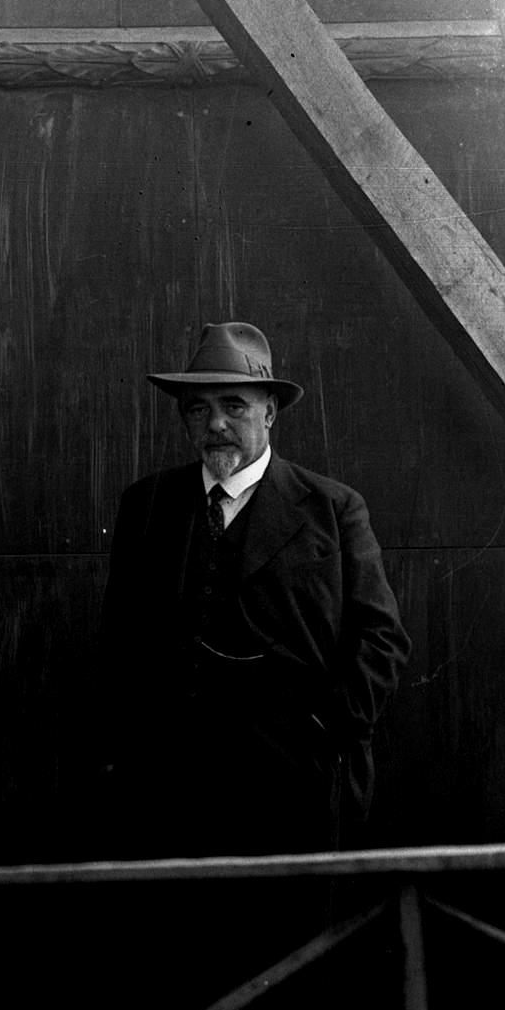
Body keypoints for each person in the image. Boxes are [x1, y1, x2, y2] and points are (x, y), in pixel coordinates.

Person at [98, 321, 410, 856]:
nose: (216, 423)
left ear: (269, 412)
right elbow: (118, 643)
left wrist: (324, 731)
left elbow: (383, 639)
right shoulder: (147, 505)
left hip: (295, 791)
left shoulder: (332, 509)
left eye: (234, 406)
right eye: (198, 409)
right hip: (171, 797)